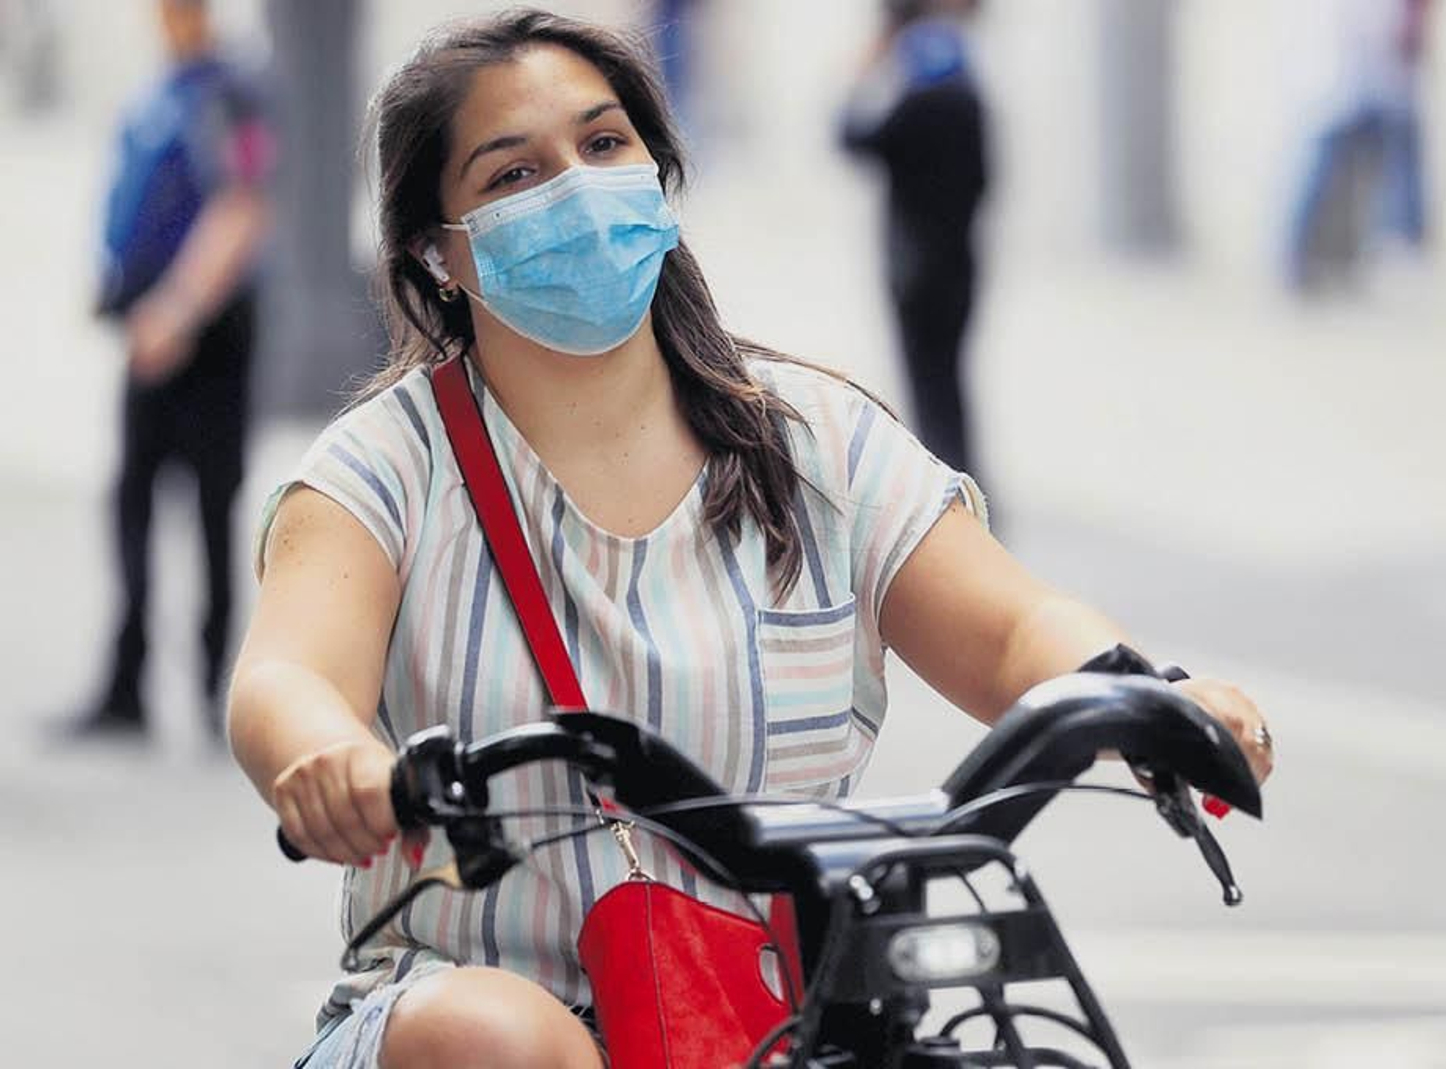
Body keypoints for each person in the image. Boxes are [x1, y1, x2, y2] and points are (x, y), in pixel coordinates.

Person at [227, 10, 1273, 1068]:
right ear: (434, 253)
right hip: (469, 1019)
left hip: (782, 1023)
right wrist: (331, 762)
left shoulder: (814, 441)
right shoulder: (382, 471)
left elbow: (1014, 630)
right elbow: (285, 676)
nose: (577, 192)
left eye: (603, 146)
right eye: (513, 177)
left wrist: (1153, 695)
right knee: (496, 1036)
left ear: (657, 174)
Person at [68, 0, 272, 740]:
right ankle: (126, 683)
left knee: (214, 509)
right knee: (132, 503)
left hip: (204, 333)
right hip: (146, 325)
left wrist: (180, 307)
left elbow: (245, 206)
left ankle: (220, 688)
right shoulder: (159, 92)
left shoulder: (234, 93)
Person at [840, 0, 988, 482]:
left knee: (930, 386)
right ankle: (964, 483)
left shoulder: (923, 86)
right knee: (947, 384)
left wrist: (862, 75)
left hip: (917, 266)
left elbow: (853, 137)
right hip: (959, 258)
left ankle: (951, 490)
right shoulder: (964, 82)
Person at [1283, 0, 1432, 293]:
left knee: (1371, 154)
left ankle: (1374, 248)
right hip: (1348, 66)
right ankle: (1299, 257)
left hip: (1360, 67)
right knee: (1330, 154)